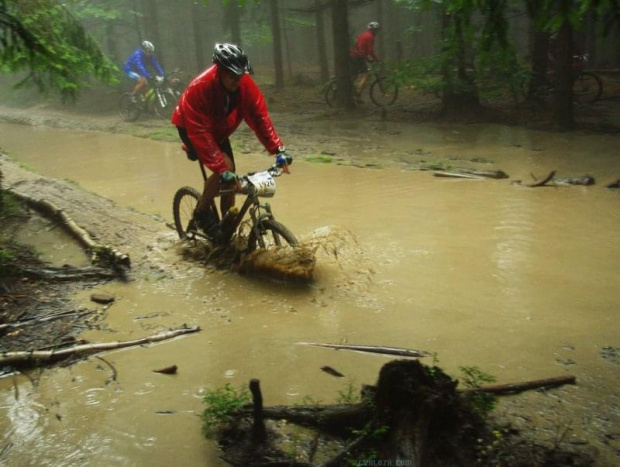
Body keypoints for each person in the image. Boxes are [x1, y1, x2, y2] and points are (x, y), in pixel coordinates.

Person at [171, 43, 291, 239]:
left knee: (230, 174)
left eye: (241, 74)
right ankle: (201, 213)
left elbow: (260, 117)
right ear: (220, 71)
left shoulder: (244, 85)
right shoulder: (200, 88)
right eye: (233, 75)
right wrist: (220, 169)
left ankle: (225, 229)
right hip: (190, 127)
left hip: (218, 129)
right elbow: (199, 131)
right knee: (224, 167)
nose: (238, 80)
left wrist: (279, 149)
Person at [349, 22, 381, 102]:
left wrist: (367, 58)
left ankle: (350, 90)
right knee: (365, 76)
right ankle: (358, 94)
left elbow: (357, 45)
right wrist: (376, 59)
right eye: (376, 30)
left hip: (353, 55)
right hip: (358, 57)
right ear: (373, 29)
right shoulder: (370, 37)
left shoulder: (362, 34)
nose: (377, 32)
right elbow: (370, 50)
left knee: (354, 76)